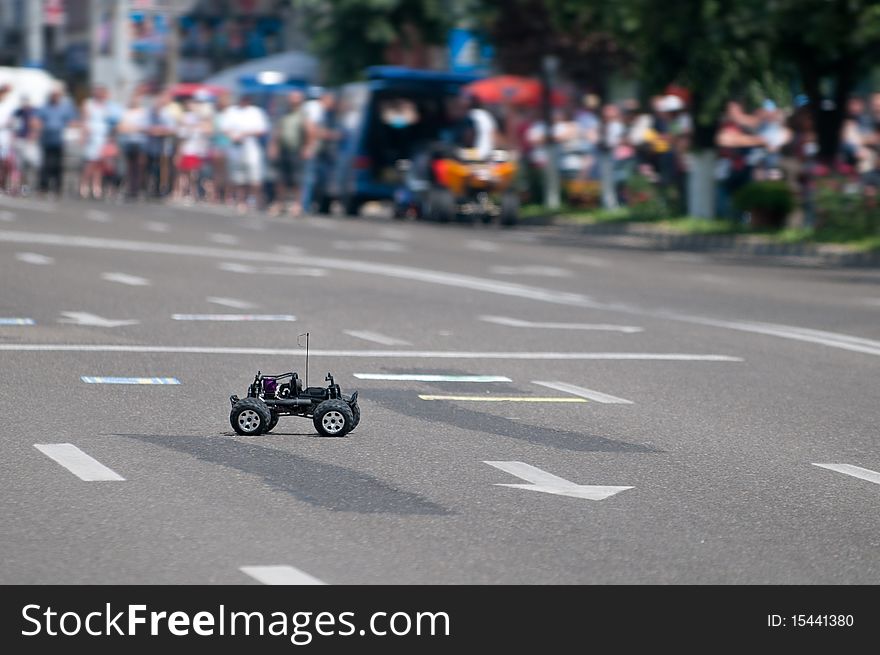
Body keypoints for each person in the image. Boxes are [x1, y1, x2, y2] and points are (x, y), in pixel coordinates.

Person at [220, 93, 269, 212]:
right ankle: (241, 200)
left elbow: (262, 130)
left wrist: (245, 134)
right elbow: (224, 128)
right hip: (236, 148)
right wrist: (233, 136)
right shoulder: (232, 111)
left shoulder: (256, 112)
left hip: (251, 148)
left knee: (254, 176)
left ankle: (254, 199)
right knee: (238, 177)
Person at [300, 88, 337, 214]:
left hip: (310, 147)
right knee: (309, 178)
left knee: (311, 177)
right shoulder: (316, 108)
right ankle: (304, 206)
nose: (333, 104)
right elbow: (311, 128)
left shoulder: (315, 108)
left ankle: (307, 204)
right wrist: (310, 146)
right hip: (311, 148)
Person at [271, 89, 306, 216]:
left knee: (296, 179)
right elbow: (278, 131)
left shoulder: (303, 115)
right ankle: (280, 203)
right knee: (281, 179)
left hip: (296, 150)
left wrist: (307, 148)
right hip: (284, 150)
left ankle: (297, 205)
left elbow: (311, 132)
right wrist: (274, 146)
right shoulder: (284, 114)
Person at [36, 87, 76, 197]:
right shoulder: (45, 107)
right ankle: (43, 187)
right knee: (46, 164)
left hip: (59, 139)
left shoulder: (65, 108)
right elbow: (38, 120)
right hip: (47, 138)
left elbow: (72, 121)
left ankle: (57, 187)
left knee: (57, 165)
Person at [80, 86, 114, 199]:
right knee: (90, 163)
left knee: (100, 165)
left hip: (102, 137)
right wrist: (84, 135)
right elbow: (85, 120)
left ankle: (96, 186)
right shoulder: (88, 104)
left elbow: (110, 122)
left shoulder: (107, 106)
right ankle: (84, 185)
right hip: (92, 137)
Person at [117, 93, 149, 199]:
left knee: (140, 167)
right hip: (129, 143)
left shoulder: (143, 112)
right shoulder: (126, 112)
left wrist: (132, 128)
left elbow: (146, 128)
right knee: (129, 167)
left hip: (140, 143)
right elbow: (121, 128)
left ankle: (138, 189)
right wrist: (135, 128)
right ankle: (130, 188)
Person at [12, 96, 40, 195]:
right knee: (20, 167)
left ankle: (28, 187)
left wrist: (33, 135)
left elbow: (35, 125)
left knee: (31, 165)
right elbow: (14, 126)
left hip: (29, 143)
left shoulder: (33, 112)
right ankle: (20, 187)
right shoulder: (18, 112)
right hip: (20, 141)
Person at [0, 84, 15, 193]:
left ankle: (3, 184)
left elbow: (12, 122)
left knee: (5, 163)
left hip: (4, 139)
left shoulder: (9, 106)